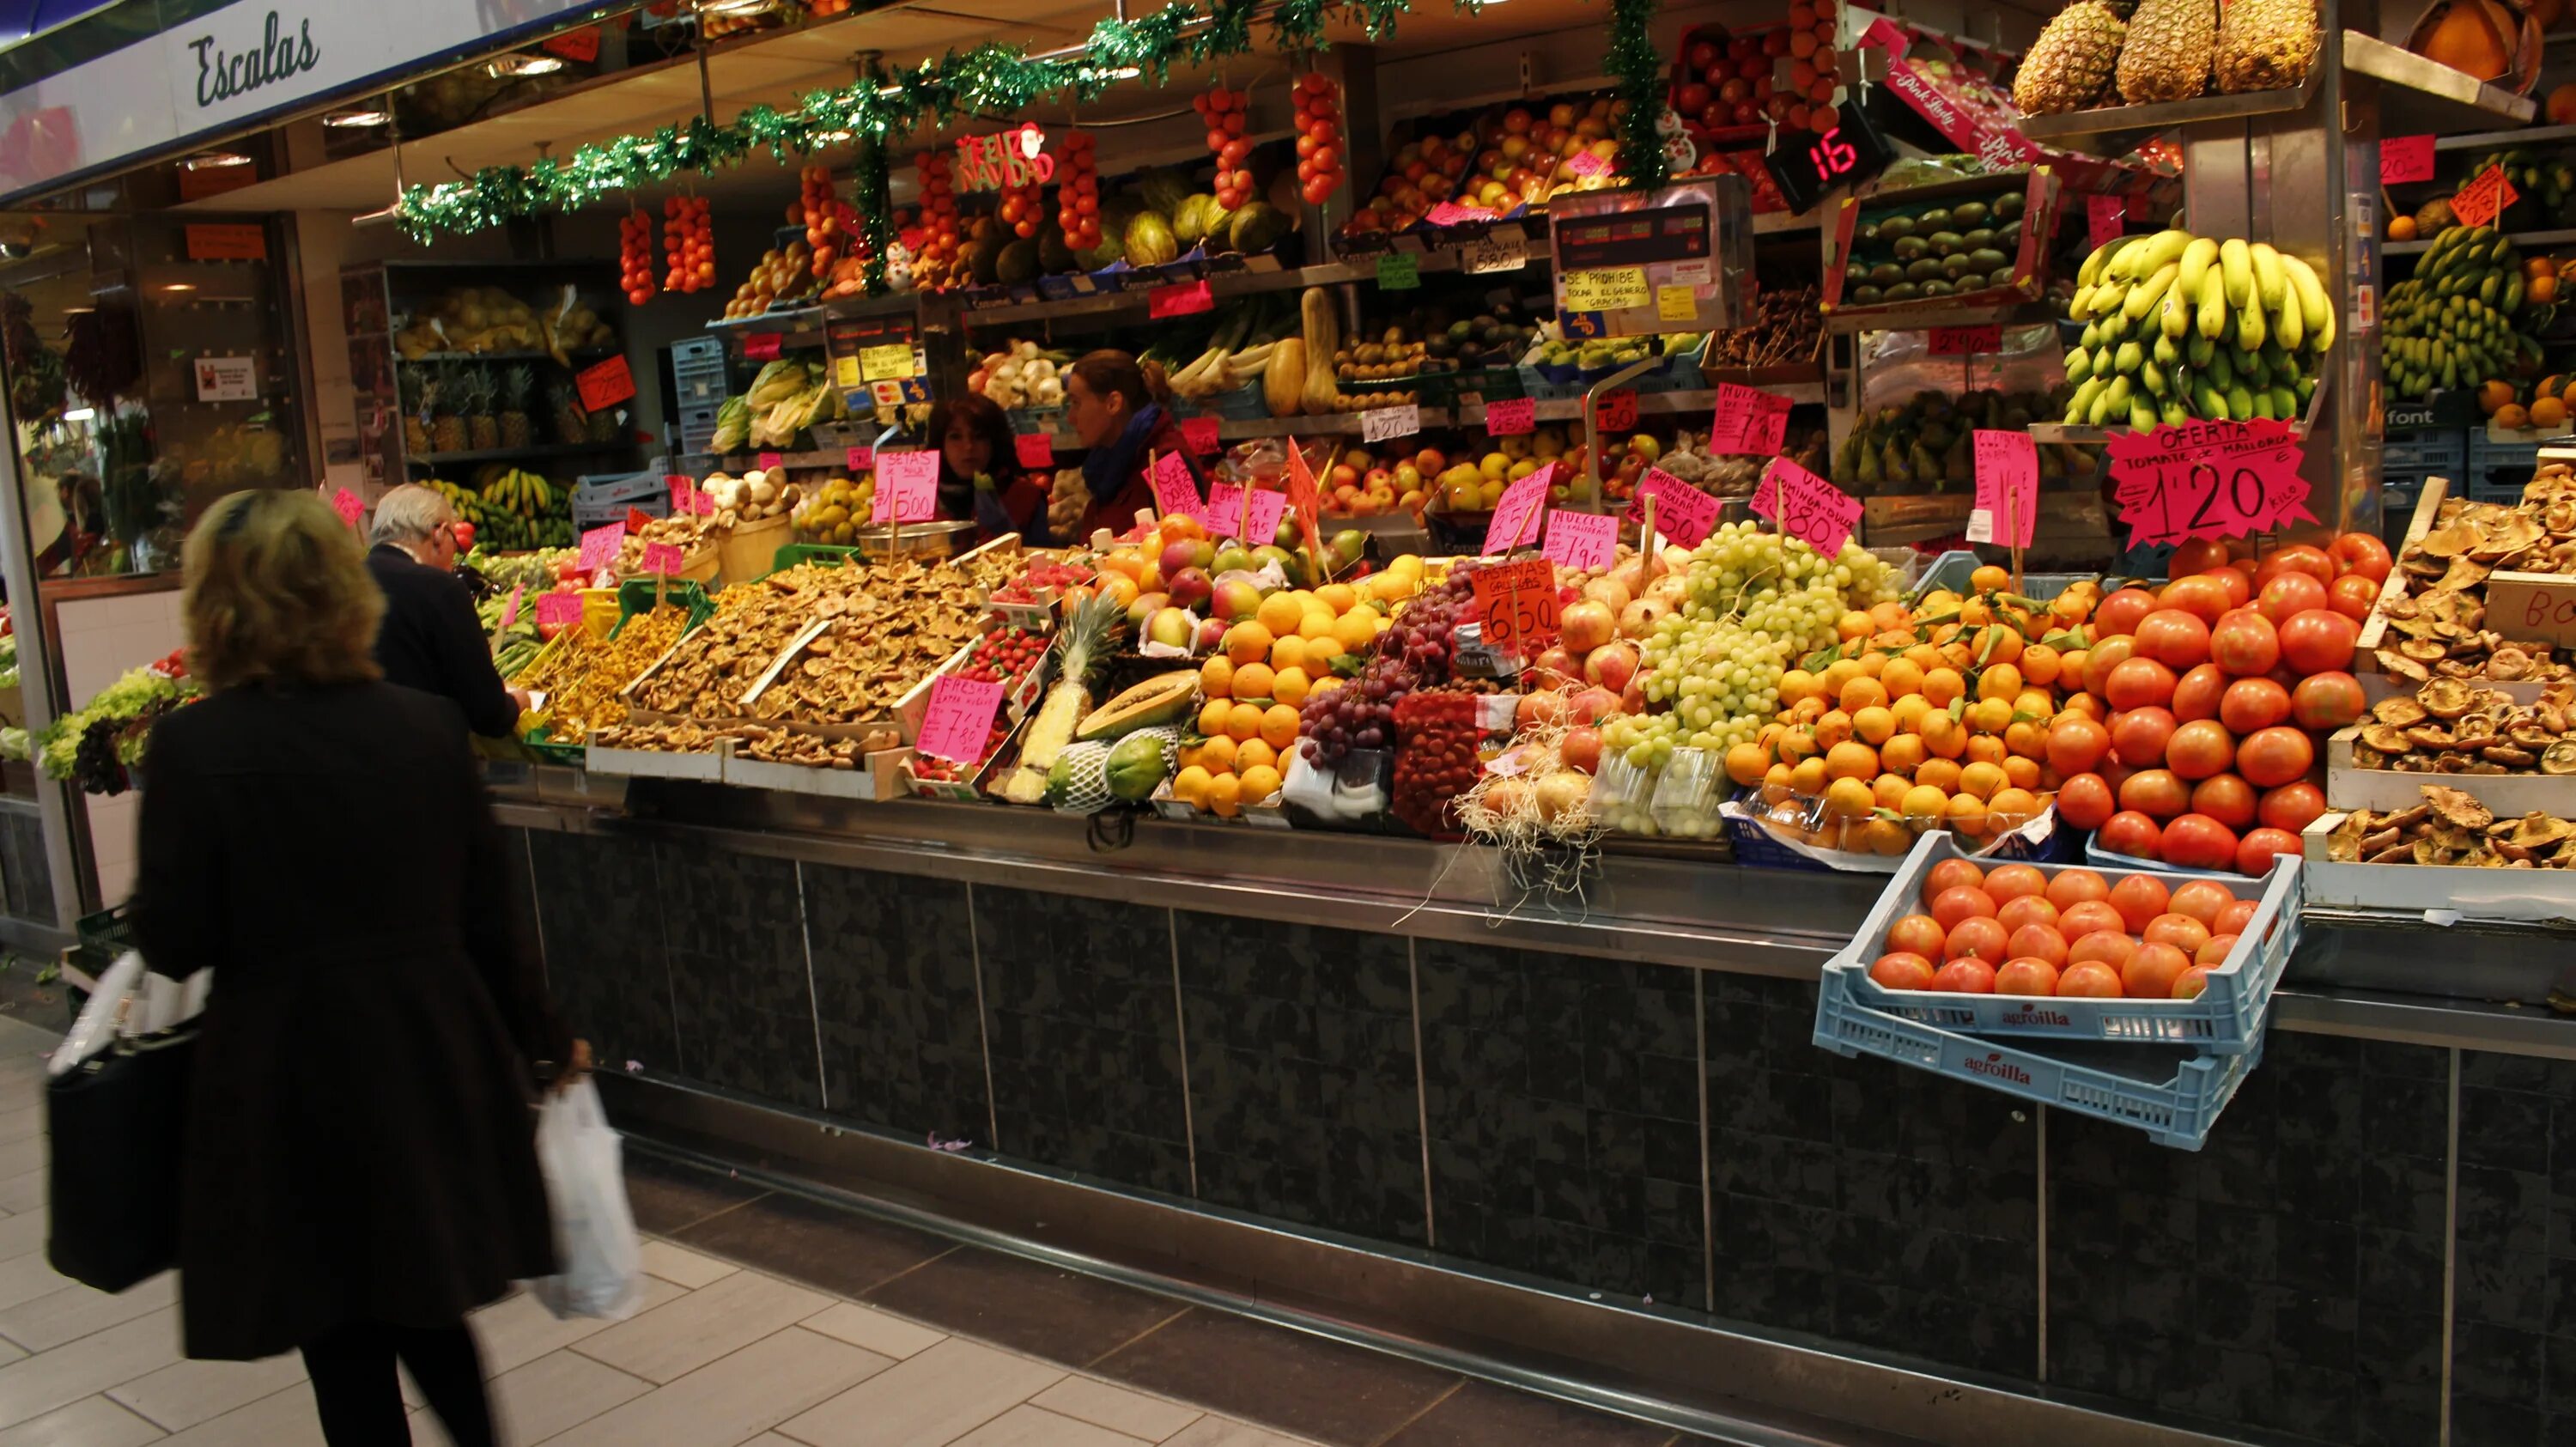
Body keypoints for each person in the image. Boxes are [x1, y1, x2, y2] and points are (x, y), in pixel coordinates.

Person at [132, 488, 587, 1447]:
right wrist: (544, 1040)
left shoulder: (191, 747)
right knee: (432, 1306)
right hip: (425, 1047)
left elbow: (172, 938)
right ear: (346, 589)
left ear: (215, 602)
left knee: (338, 1331)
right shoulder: (423, 727)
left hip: (281, 1068)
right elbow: (491, 915)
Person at [364, 483, 524, 739]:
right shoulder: (440, 588)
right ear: (438, 533)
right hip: (423, 756)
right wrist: (517, 702)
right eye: (455, 542)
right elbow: (488, 714)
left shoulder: (345, 583)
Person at [1066, 350, 1205, 538]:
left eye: (1076, 403)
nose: (1070, 418)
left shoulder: (1168, 462)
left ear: (1113, 404)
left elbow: (1191, 545)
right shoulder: (1105, 460)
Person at [929, 392, 1053, 545]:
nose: (968, 447)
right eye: (955, 436)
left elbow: (1046, 562)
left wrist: (1006, 531)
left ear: (995, 442)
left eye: (979, 436)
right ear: (940, 444)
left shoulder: (1026, 497)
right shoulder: (920, 501)